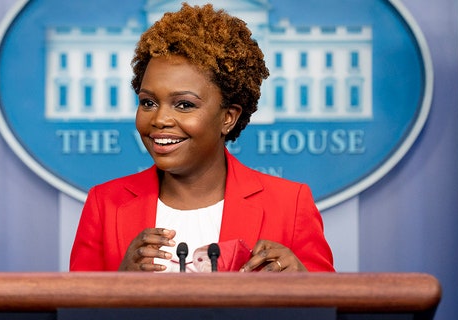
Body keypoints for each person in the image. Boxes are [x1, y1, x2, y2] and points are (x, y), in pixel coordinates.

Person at [70, 3, 334, 273]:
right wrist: (119, 283)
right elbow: (75, 312)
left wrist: (302, 282)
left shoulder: (290, 204)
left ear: (228, 117)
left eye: (184, 105)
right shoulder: (104, 204)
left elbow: (329, 309)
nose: (159, 119)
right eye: (148, 102)